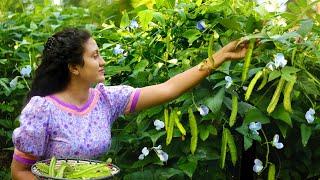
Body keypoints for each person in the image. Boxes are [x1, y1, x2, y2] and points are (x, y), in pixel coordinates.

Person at [10, 28, 248, 179]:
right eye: (94, 56)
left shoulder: (107, 99)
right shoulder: (42, 110)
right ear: (74, 68)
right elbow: (19, 171)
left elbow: (169, 88)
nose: (102, 61)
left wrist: (221, 56)